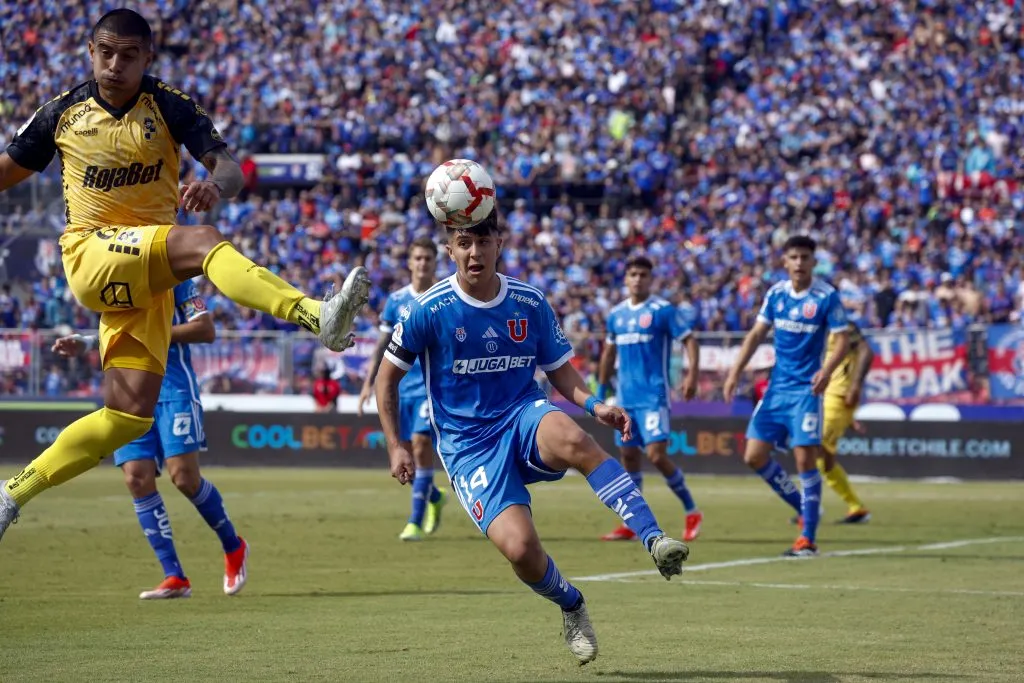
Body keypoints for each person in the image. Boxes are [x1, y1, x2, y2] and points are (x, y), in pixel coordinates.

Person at [0, 9, 370, 542]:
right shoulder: (61, 114)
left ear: (147, 58)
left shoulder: (170, 106)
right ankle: (315, 314)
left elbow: (229, 167)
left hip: (145, 277)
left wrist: (215, 185)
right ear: (90, 52)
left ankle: (13, 492)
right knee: (202, 241)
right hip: (90, 252)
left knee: (127, 417)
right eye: (106, 53)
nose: (115, 65)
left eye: (129, 55)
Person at [376, 209, 690, 664]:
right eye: (464, 243)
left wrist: (595, 405)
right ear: (450, 250)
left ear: (499, 245)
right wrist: (396, 444)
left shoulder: (529, 301)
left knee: (574, 438)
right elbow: (386, 379)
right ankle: (571, 604)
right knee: (521, 550)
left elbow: (560, 370)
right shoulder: (427, 310)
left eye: (483, 242)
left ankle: (654, 538)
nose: (474, 252)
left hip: (523, 414)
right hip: (468, 447)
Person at [53, 279, 248, 599]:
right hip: (128, 393)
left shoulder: (175, 279)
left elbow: (205, 329)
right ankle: (175, 576)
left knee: (184, 477)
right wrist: (87, 343)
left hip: (173, 390)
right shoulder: (116, 280)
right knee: (136, 478)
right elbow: (120, 333)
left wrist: (152, 334)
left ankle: (233, 546)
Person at [723, 235, 850, 557]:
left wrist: (827, 370)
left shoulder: (826, 296)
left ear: (814, 262)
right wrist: (735, 372)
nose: (799, 263)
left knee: (804, 459)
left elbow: (843, 339)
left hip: (806, 391)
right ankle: (805, 507)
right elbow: (756, 334)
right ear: (785, 262)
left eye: (805, 257)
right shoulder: (776, 294)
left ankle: (807, 538)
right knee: (753, 456)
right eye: (794, 257)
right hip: (777, 389)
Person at [596, 256, 703, 543]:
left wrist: (692, 375)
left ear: (651, 279)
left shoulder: (662, 311)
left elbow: (690, 340)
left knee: (656, 455)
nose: (638, 279)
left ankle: (692, 511)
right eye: (633, 274)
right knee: (629, 456)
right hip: (625, 399)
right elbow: (608, 354)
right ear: (626, 278)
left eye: (643, 275)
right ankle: (632, 521)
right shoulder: (616, 315)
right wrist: (602, 391)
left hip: (654, 396)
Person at [359, 237, 447, 541]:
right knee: (405, 457)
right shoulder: (396, 301)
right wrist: (369, 382)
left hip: (430, 388)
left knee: (422, 445)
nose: (422, 263)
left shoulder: (444, 297)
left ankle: (414, 522)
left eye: (427, 258)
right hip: (400, 388)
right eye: (417, 258)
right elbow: (383, 345)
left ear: (435, 263)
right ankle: (434, 496)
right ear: (410, 263)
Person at [816, 322, 872, 524]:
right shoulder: (819, 327)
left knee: (811, 450)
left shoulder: (842, 325)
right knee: (823, 461)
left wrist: (855, 385)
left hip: (838, 397)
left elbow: (866, 350)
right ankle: (856, 507)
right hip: (826, 398)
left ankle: (808, 508)